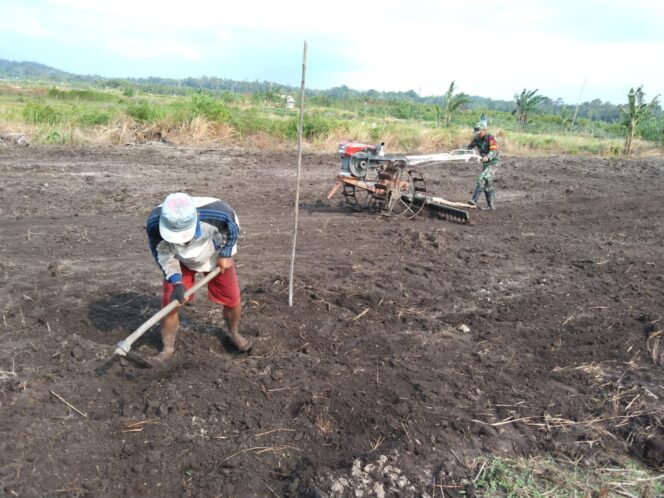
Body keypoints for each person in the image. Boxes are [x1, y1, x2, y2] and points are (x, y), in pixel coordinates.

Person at [146, 193, 252, 362]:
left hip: (213, 253)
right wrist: (177, 282)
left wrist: (225, 253)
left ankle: (233, 333)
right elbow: (163, 255)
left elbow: (233, 227)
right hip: (179, 259)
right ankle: (168, 348)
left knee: (232, 298)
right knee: (170, 302)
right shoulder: (154, 224)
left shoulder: (218, 213)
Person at [466, 119, 500, 210]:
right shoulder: (477, 139)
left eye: (480, 132)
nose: (478, 134)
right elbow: (469, 147)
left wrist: (487, 157)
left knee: (481, 178)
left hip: (493, 163)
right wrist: (464, 153)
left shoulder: (490, 137)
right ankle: (491, 206)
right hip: (485, 164)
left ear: (484, 130)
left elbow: (494, 151)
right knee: (487, 185)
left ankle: (473, 200)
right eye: (477, 133)